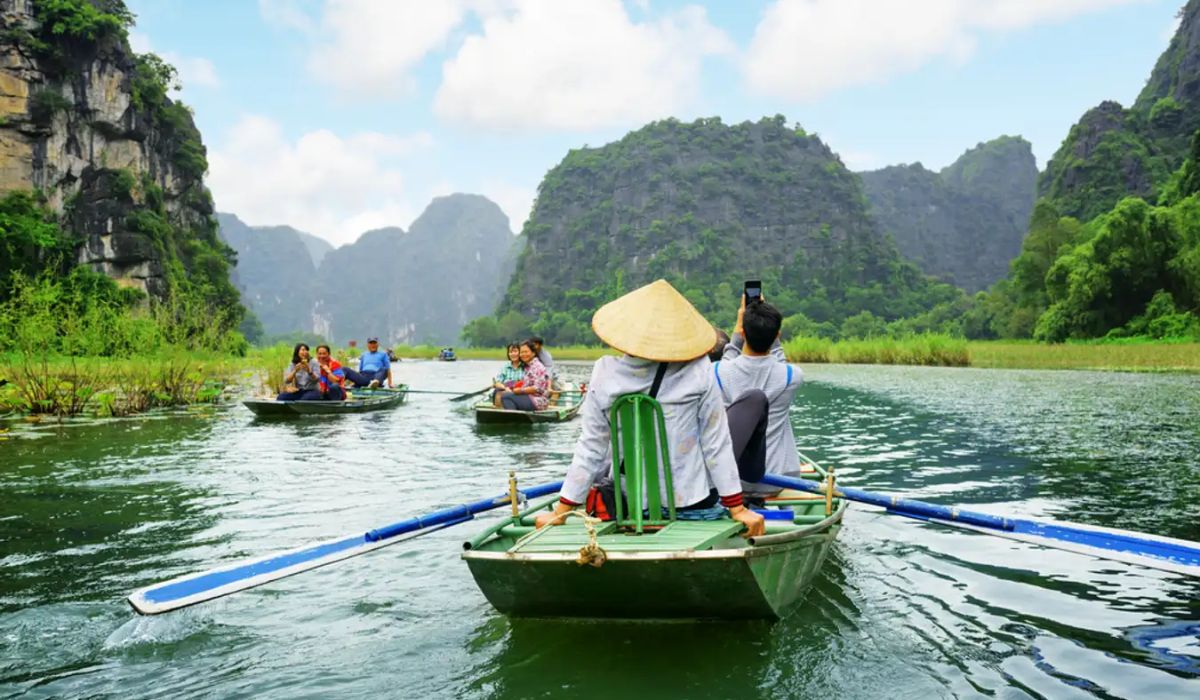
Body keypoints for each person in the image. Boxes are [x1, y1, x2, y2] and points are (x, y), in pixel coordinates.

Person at [534, 279, 765, 538]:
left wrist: (561, 511)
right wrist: (737, 508)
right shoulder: (700, 371)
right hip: (691, 504)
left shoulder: (605, 373)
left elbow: (591, 447)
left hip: (627, 505)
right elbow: (716, 443)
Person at [715, 294, 803, 501]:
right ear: (777, 336)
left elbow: (728, 358)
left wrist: (737, 332)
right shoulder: (793, 376)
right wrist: (771, 333)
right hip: (776, 481)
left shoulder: (717, 372)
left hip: (732, 482)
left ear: (743, 333)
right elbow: (780, 363)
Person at [497, 341, 548, 411]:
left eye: (526, 352)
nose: (523, 354)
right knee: (503, 393)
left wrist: (519, 391)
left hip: (538, 401)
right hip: (529, 397)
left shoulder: (537, 366)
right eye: (522, 352)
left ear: (533, 353)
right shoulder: (528, 366)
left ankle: (513, 417)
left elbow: (537, 388)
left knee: (506, 397)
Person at [492, 342, 525, 407]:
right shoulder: (505, 367)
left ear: (520, 352)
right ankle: (499, 410)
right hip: (506, 390)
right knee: (497, 391)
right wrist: (505, 388)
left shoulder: (526, 367)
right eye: (510, 352)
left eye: (515, 351)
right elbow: (498, 383)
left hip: (520, 392)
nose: (513, 354)